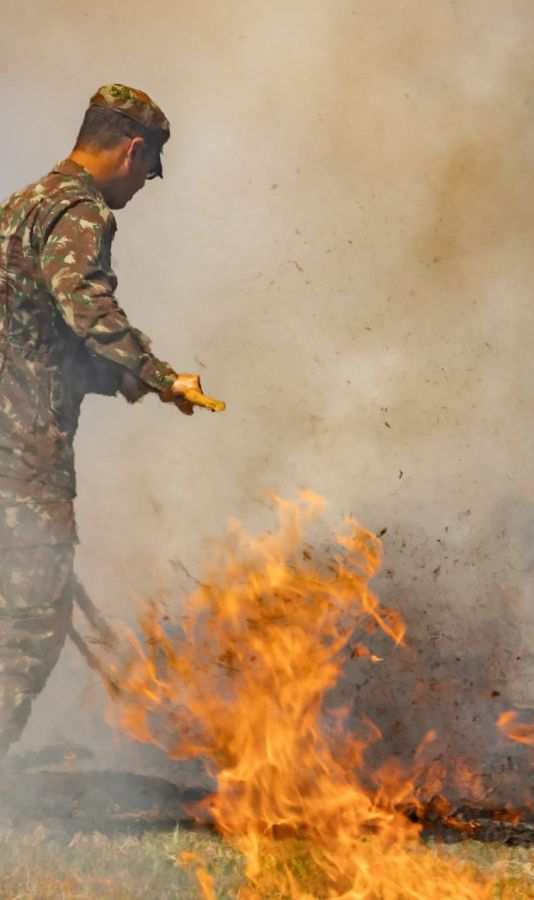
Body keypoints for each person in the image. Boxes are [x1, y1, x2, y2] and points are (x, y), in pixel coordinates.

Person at [0, 84, 208, 756]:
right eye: (150, 171)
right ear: (133, 149)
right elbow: (84, 306)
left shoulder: (23, 205)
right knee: (27, 623)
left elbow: (30, 334)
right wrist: (159, 373)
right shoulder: (81, 211)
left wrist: (112, 376)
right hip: (22, 454)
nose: (146, 184)